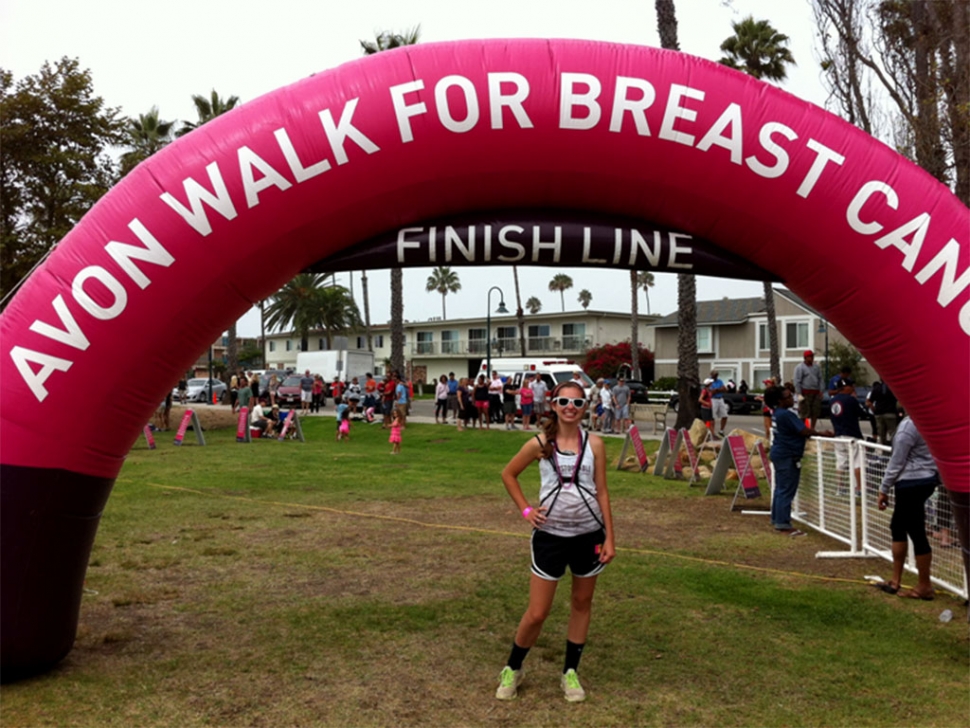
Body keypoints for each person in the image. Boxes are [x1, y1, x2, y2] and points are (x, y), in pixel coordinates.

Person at [495, 381, 616, 703]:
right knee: (538, 612)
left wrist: (610, 538)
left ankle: (570, 672)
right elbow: (508, 474)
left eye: (577, 402)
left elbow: (602, 491)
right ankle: (513, 667)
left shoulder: (596, 444)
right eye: (564, 401)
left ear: (585, 406)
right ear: (553, 404)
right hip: (550, 537)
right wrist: (526, 510)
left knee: (581, 603)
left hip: (589, 534)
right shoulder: (539, 443)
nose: (570, 407)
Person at [876, 417, 941, 600]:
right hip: (925, 478)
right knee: (898, 526)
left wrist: (884, 488)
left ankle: (924, 585)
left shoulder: (908, 427)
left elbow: (897, 461)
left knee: (915, 530)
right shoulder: (928, 421)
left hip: (912, 481)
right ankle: (896, 580)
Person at [764, 386, 833, 537]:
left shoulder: (777, 413)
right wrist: (823, 433)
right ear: (779, 401)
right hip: (787, 455)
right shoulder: (786, 415)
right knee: (786, 490)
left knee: (780, 489)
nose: (792, 399)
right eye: (788, 397)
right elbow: (803, 431)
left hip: (780, 453)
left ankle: (777, 519)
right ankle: (783, 524)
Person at [829, 377, 866, 495]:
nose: (853, 388)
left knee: (841, 462)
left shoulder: (832, 401)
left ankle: (839, 488)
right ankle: (858, 488)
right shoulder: (851, 400)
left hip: (838, 434)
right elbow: (862, 413)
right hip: (852, 434)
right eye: (851, 386)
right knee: (857, 461)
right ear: (845, 387)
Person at [793, 350, 823, 429]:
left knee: (815, 411)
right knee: (804, 411)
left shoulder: (816, 367)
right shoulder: (800, 367)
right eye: (810, 357)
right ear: (805, 358)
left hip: (815, 392)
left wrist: (821, 390)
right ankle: (802, 428)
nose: (812, 358)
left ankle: (812, 428)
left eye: (812, 357)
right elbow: (797, 381)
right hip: (805, 392)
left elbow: (820, 379)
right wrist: (799, 393)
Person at [866, 380, 899, 446]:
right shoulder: (893, 388)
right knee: (893, 433)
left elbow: (869, 402)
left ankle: (883, 448)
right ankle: (894, 448)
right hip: (890, 413)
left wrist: (874, 410)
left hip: (879, 414)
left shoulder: (876, 388)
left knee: (881, 434)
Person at [709, 369, 729, 437]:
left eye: (717, 375)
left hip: (720, 399)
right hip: (713, 400)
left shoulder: (720, 381)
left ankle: (721, 431)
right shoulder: (709, 381)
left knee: (725, 416)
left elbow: (725, 389)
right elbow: (711, 392)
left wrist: (717, 390)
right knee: (711, 417)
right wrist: (719, 389)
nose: (716, 376)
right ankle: (711, 432)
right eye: (715, 375)